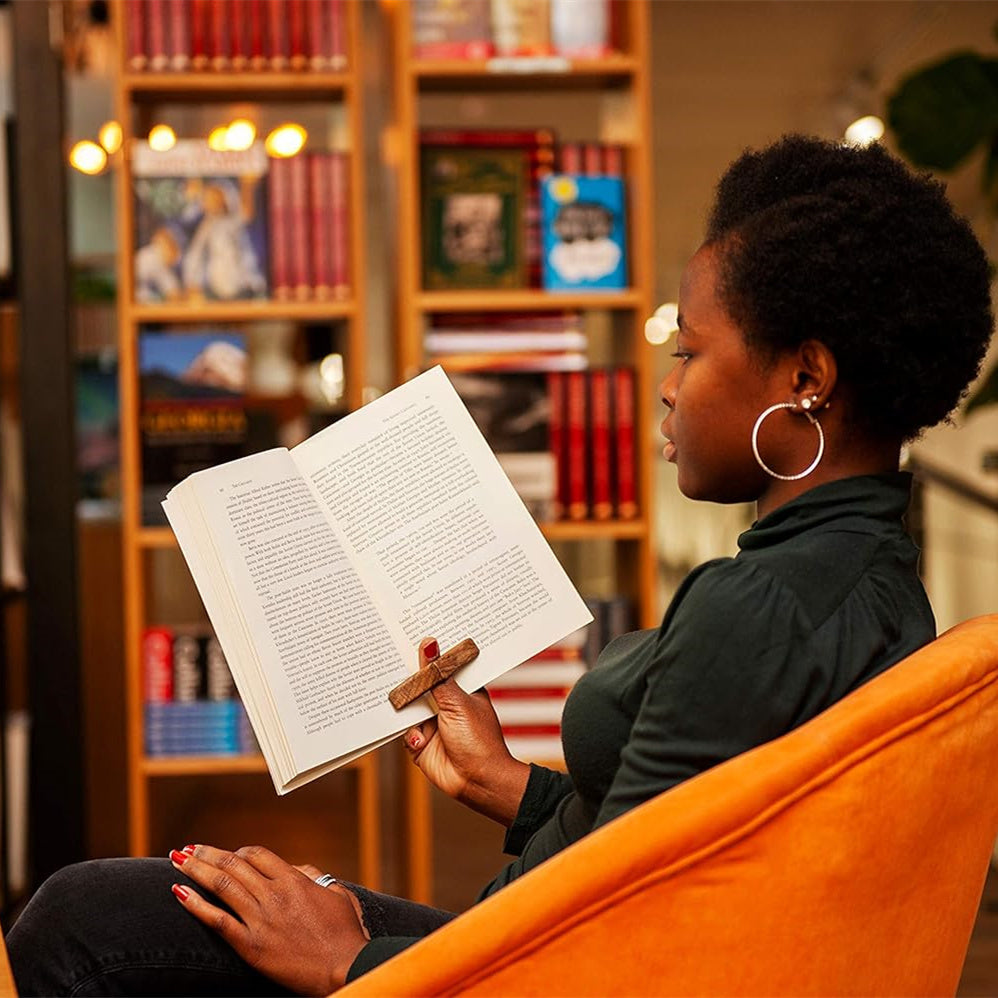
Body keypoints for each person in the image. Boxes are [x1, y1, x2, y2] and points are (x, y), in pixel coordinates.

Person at [7, 134, 994, 996]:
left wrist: (353, 961)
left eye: (688, 353)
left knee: (86, 919)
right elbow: (685, 840)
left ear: (805, 379)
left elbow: (618, 927)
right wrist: (508, 785)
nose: (664, 388)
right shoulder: (863, 580)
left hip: (519, 966)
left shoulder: (763, 607)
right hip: (543, 938)